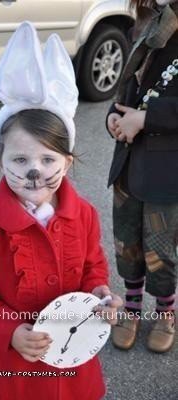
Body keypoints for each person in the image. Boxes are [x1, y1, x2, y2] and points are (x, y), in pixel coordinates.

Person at [0, 22, 122, 400]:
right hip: (8, 369)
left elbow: (93, 265)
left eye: (48, 158)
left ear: (68, 160)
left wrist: (98, 291)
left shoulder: (85, 215)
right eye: (20, 158)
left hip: (71, 359)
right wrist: (10, 330)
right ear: (0, 159)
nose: (35, 170)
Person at [106, 0, 177, 353]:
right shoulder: (147, 20)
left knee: (161, 249)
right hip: (129, 162)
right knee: (127, 240)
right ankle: (132, 306)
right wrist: (113, 118)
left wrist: (146, 119)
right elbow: (126, 88)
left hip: (167, 171)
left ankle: (166, 311)